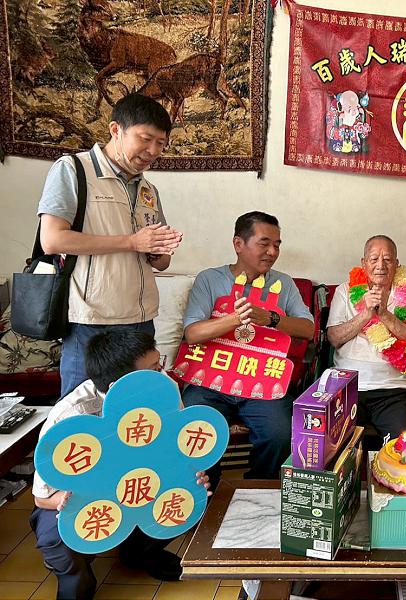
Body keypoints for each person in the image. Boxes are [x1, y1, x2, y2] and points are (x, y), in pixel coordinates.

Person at [30, 330, 210, 600]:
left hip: (141, 482)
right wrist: (67, 501)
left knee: (194, 492)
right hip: (88, 495)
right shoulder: (71, 417)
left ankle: (140, 552)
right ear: (119, 386)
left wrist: (190, 475)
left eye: (159, 364)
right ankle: (76, 581)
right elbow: (42, 497)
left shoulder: (163, 390)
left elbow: (177, 450)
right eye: (153, 369)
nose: (162, 374)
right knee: (57, 536)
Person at [37, 93, 183, 399]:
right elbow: (52, 240)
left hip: (141, 320)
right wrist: (131, 242)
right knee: (83, 409)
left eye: (161, 143)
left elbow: (161, 262)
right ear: (116, 130)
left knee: (141, 408)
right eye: (146, 139)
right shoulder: (74, 170)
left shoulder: (148, 189)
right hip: (92, 321)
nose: (153, 151)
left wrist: (157, 249)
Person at [181, 212, 314, 481]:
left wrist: (271, 318)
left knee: (280, 434)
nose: (272, 252)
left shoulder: (283, 284)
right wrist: (234, 318)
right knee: (196, 431)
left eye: (277, 245)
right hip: (211, 381)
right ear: (238, 244)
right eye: (264, 243)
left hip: (262, 381)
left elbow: (309, 329)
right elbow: (192, 333)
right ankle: (209, 493)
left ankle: (257, 489)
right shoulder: (210, 279)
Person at [327, 235, 406, 443]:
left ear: (396, 264)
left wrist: (385, 315)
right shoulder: (345, 291)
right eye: (374, 259)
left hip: (394, 389)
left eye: (387, 259)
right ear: (363, 263)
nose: (381, 265)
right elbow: (334, 338)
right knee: (333, 446)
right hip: (348, 386)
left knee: (404, 448)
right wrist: (366, 314)